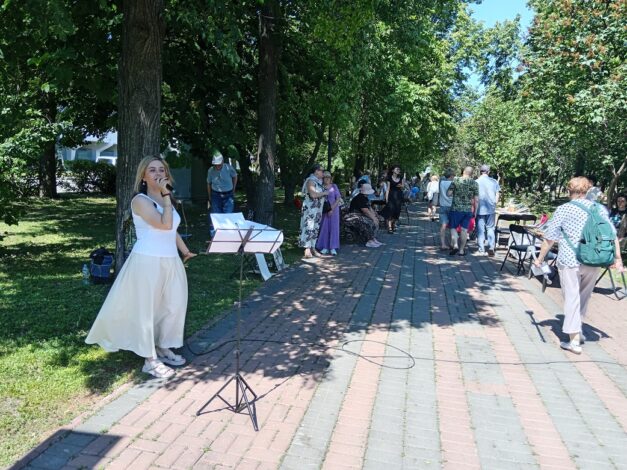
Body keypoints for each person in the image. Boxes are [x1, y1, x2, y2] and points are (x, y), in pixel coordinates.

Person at [86, 156, 197, 379]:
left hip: (170, 260)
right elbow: (164, 224)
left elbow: (172, 229)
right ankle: (150, 360)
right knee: (147, 310)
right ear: (143, 176)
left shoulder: (165, 198)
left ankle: (163, 346)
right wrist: (166, 196)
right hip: (147, 261)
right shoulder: (140, 200)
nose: (158, 174)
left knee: (172, 306)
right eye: (152, 170)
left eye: (162, 170)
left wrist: (185, 251)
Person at [535, 177, 623, 354]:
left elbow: (549, 238)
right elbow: (612, 235)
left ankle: (573, 340)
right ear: (587, 190)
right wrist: (618, 258)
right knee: (583, 297)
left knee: (571, 298)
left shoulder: (564, 209)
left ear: (569, 190)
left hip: (570, 260)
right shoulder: (599, 208)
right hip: (593, 259)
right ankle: (578, 330)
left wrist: (539, 258)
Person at [447, 166, 479, 256]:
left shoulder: (456, 180)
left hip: (456, 209)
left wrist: (453, 191)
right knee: (464, 230)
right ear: (471, 173)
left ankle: (455, 245)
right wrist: (475, 211)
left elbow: (449, 193)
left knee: (453, 228)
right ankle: (461, 250)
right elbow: (476, 200)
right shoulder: (475, 183)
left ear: (464, 171)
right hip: (468, 210)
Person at [299, 164, 329, 258]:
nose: (323, 173)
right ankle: (307, 248)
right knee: (309, 227)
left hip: (317, 210)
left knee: (315, 228)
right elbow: (313, 194)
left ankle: (313, 247)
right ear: (316, 171)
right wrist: (324, 193)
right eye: (322, 171)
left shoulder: (318, 182)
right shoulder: (310, 181)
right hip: (310, 209)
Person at [207, 150, 237, 237]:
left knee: (228, 215)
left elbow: (235, 176)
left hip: (228, 195)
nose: (217, 166)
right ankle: (216, 235)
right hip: (215, 195)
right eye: (215, 165)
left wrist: (233, 189)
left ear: (222, 162)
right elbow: (208, 183)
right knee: (217, 215)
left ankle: (227, 235)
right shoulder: (210, 170)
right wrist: (209, 196)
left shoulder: (228, 168)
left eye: (219, 164)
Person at [476, 164, 501, 257]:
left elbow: (474, 197)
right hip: (491, 208)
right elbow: (497, 194)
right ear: (488, 172)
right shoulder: (494, 181)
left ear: (480, 172)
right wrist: (495, 203)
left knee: (480, 229)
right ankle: (491, 247)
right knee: (490, 228)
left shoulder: (476, 182)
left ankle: (481, 249)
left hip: (480, 208)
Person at [316, 171, 343, 256]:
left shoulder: (334, 186)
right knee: (324, 227)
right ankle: (325, 246)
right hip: (324, 210)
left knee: (334, 228)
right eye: (325, 177)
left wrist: (332, 209)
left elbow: (338, 198)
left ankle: (333, 247)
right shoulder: (321, 187)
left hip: (334, 210)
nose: (327, 179)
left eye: (328, 177)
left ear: (331, 178)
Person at [381, 165, 405, 233]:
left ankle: (393, 224)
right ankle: (390, 227)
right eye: (397, 169)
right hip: (391, 196)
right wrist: (386, 198)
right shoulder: (389, 178)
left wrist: (401, 186)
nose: (398, 170)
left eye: (399, 169)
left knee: (397, 212)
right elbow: (388, 189)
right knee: (390, 211)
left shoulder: (401, 178)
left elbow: (403, 187)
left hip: (399, 196)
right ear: (393, 170)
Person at [438, 169, 454, 251]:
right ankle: (452, 243)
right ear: (451, 176)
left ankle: (443, 244)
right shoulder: (453, 183)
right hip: (452, 206)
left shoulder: (441, 183)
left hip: (443, 205)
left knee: (443, 225)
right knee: (452, 225)